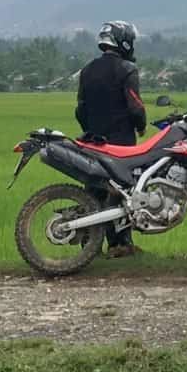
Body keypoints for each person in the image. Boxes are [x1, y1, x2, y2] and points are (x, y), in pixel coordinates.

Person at [74, 19, 146, 256]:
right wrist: (141, 126)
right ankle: (120, 244)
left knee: (93, 191)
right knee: (123, 192)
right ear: (123, 42)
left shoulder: (87, 70)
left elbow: (80, 109)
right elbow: (135, 106)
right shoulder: (127, 69)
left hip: (93, 142)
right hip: (121, 144)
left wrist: (92, 128)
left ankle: (89, 246)